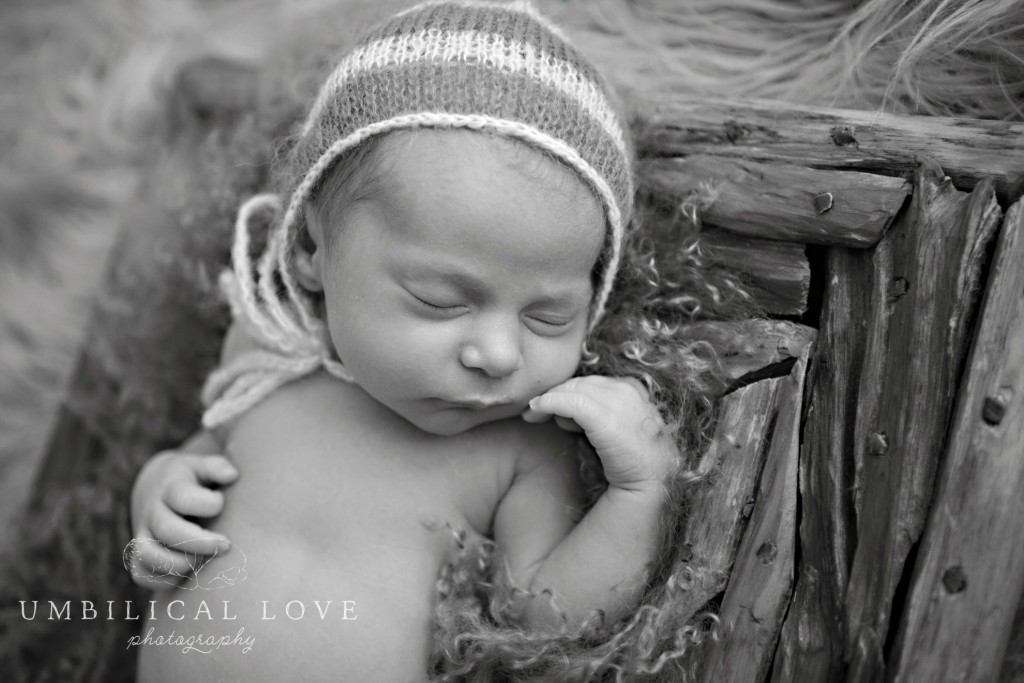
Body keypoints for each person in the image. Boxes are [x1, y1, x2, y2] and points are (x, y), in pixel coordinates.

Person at [129, 1, 679, 680]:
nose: (501, 354)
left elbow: (544, 617)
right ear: (310, 247)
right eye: (441, 300)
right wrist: (160, 493)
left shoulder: (519, 445)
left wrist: (641, 491)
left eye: (549, 318)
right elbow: (206, 452)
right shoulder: (270, 354)